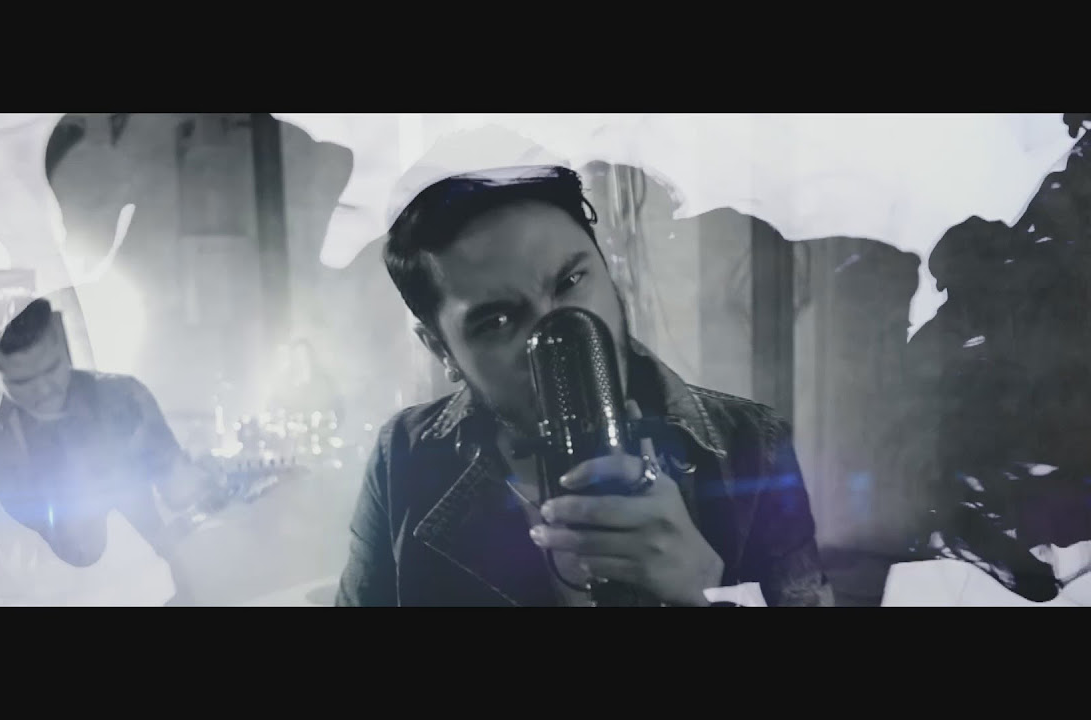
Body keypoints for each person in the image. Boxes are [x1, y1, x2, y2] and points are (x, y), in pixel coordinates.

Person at [336, 155, 833, 606]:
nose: (561, 339)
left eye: (571, 282)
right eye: (498, 321)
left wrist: (704, 588)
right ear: (442, 349)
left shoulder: (751, 444)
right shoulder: (403, 457)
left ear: (612, 277)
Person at [0, 296, 219, 606]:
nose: (44, 389)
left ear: (62, 344)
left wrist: (205, 482)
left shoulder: (124, 397)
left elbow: (180, 491)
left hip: (148, 596)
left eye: (52, 368)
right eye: (22, 381)